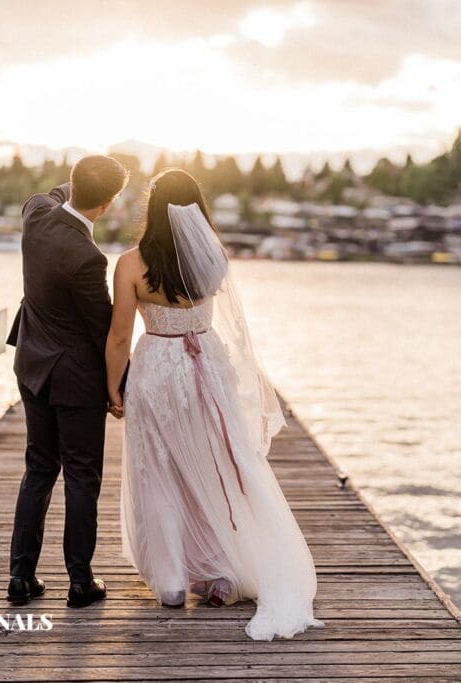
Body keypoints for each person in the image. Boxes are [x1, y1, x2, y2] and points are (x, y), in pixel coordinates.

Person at [104, 169, 323, 640]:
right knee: (214, 466)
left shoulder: (129, 264)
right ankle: (220, 572)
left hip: (157, 369)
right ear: (196, 210)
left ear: (153, 208)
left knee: (157, 471)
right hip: (207, 368)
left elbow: (120, 335)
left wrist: (113, 387)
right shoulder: (212, 259)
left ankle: (170, 582)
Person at [5, 154, 128, 608]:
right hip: (76, 381)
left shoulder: (34, 214)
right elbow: (104, 331)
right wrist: (120, 386)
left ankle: (20, 577)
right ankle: (80, 581)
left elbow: (54, 194)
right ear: (109, 203)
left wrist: (78, 182)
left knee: (39, 468)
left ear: (73, 184)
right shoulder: (88, 258)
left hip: (32, 368)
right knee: (81, 476)